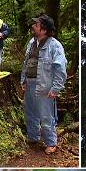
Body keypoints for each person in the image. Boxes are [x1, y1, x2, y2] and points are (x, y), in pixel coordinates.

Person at [20, 14, 67, 155]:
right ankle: (33, 138)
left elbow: (60, 68)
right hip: (30, 83)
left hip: (45, 86)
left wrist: (56, 88)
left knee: (46, 116)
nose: (33, 27)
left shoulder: (55, 46)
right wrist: (23, 80)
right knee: (30, 112)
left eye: (36, 25)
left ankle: (51, 143)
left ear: (44, 29)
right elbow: (26, 63)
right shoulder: (31, 42)